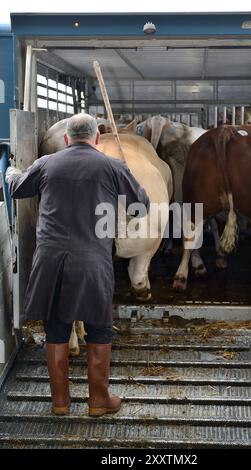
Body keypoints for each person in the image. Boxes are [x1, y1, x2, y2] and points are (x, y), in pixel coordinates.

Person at [6, 113, 150, 417]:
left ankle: (61, 402)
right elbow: (141, 206)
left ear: (67, 139)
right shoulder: (112, 166)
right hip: (92, 259)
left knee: (56, 328)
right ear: (97, 138)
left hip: (50, 259)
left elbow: (18, 189)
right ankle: (98, 401)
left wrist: (11, 172)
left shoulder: (47, 163)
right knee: (99, 328)